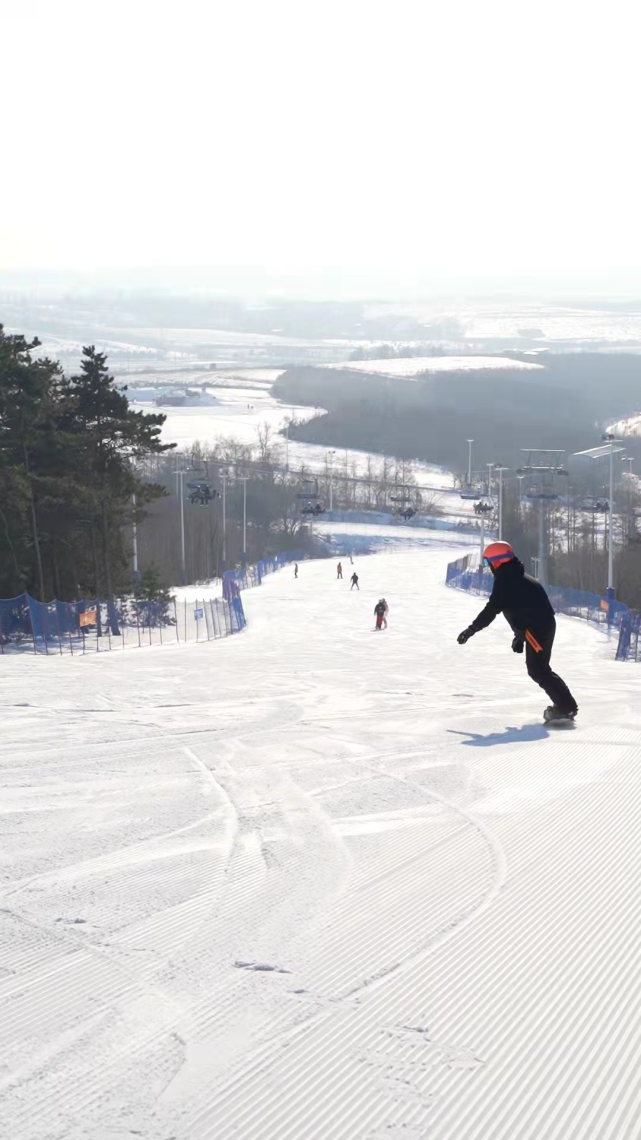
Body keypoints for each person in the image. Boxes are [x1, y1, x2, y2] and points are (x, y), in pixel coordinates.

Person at [457, 541, 578, 722]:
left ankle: (566, 707)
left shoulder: (506, 581)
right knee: (539, 669)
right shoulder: (517, 577)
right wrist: (520, 636)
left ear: (497, 562)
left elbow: (492, 609)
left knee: (539, 670)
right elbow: (522, 609)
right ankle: (566, 706)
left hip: (538, 629)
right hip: (537, 627)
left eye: (490, 562)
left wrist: (471, 629)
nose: (490, 567)